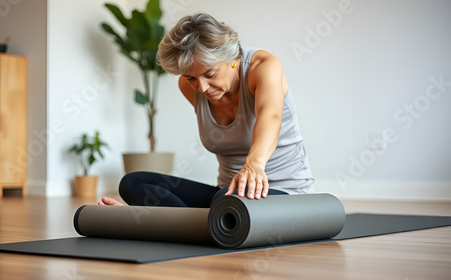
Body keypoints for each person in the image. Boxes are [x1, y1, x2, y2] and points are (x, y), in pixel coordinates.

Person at [99, 13, 314, 208]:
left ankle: (156, 224)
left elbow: (271, 116)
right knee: (133, 182)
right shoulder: (188, 86)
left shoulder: (263, 67)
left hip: (287, 195)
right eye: (191, 77)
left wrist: (254, 166)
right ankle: (172, 223)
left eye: (210, 74)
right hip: (228, 195)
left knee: (226, 203)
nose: (201, 88)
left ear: (232, 59)